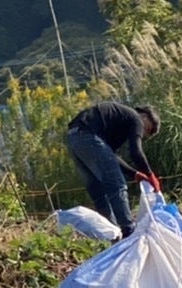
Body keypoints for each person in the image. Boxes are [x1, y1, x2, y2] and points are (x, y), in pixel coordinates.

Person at [64, 101, 161, 238]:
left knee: (99, 192)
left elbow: (111, 156)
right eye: (147, 130)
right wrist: (150, 175)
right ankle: (129, 230)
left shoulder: (119, 120)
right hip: (88, 135)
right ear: (145, 117)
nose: (143, 134)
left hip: (74, 138)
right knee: (117, 184)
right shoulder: (135, 118)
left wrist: (134, 174)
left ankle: (112, 233)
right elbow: (136, 151)